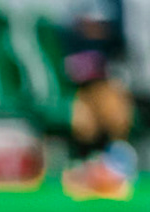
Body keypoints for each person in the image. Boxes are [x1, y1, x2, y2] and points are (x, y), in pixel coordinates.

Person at [57, 0, 138, 201]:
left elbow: (119, 43)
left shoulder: (115, 5)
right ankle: (90, 170)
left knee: (114, 113)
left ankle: (113, 171)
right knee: (83, 122)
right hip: (77, 85)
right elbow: (66, 38)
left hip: (107, 80)